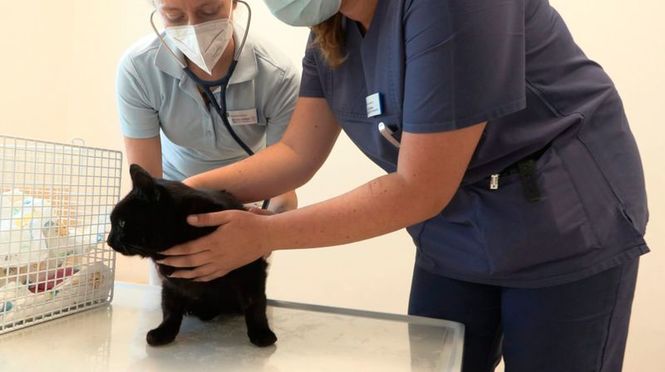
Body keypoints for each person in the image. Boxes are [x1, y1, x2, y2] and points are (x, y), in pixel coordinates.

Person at [157, 1, 649, 371]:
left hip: (561, 221)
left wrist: (263, 234)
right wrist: (181, 193)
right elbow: (295, 155)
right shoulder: (331, 30)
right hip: (454, 227)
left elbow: (417, 188)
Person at [115, 0, 300, 284]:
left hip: (243, 208)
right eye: (174, 15)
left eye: (209, 11)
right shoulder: (139, 69)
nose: (193, 27)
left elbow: (284, 186)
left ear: (234, 3)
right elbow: (149, 184)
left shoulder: (277, 75)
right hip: (172, 210)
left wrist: (262, 236)